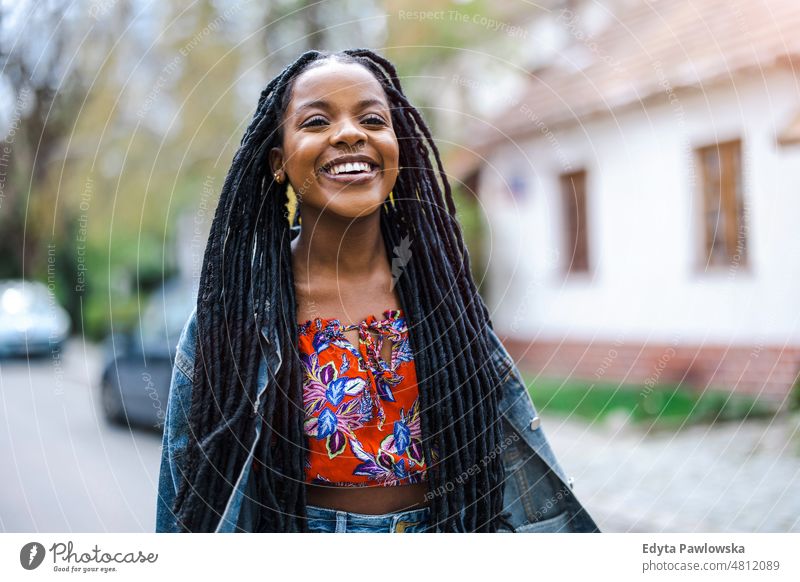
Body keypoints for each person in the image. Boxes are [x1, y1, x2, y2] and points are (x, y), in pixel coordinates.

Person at [155, 48, 599, 533]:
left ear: (398, 146)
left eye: (371, 118)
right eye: (317, 121)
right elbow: (188, 495)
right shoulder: (234, 321)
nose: (349, 133)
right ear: (278, 162)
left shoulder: (442, 301)